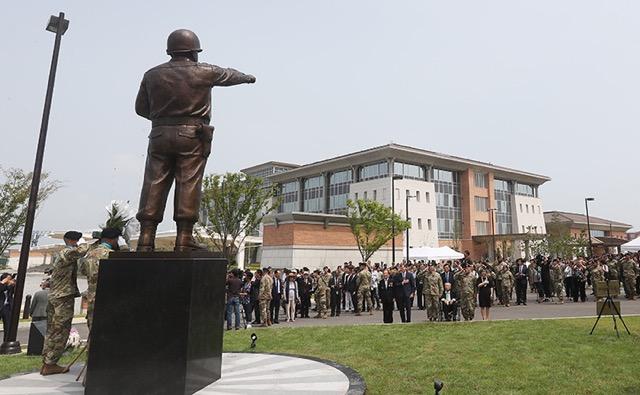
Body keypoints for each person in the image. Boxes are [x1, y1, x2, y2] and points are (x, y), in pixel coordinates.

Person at [134, 29, 256, 252]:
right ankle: (184, 238)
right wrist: (248, 77)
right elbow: (230, 75)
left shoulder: (152, 74)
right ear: (193, 51)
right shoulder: (204, 70)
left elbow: (140, 108)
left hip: (159, 134)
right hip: (192, 135)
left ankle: (145, 238)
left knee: (154, 182)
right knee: (188, 182)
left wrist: (164, 117)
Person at [41, 231, 87, 376]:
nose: (76, 242)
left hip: (55, 296)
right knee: (61, 331)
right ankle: (51, 364)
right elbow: (82, 251)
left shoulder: (61, 254)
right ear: (68, 240)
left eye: (77, 240)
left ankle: (47, 363)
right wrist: (86, 242)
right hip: (63, 297)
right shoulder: (67, 253)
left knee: (52, 330)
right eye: (74, 240)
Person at [79, 228, 120, 332]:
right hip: (107, 298)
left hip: (92, 297)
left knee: (93, 331)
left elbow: (83, 271)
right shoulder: (111, 255)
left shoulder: (89, 254)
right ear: (113, 239)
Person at [0, 273, 16, 342]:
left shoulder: (10, 286)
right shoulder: (1, 285)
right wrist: (3, 282)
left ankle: (6, 342)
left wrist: (14, 284)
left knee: (8, 327)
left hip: (7, 307)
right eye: (8, 279)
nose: (9, 280)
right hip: (0, 307)